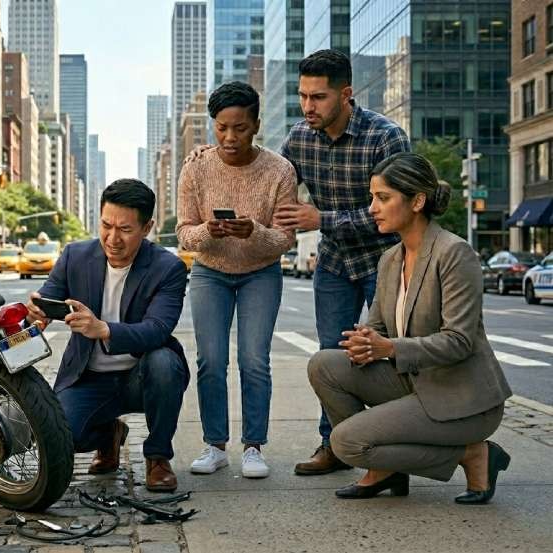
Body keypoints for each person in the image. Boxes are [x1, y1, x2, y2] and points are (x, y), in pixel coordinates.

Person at [308, 152, 512, 503]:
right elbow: (379, 329)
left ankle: (473, 455)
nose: (372, 207)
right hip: (414, 381)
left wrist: (389, 349)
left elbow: (459, 341)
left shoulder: (454, 253)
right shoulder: (390, 258)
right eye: (372, 197)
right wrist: (364, 343)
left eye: (383, 198)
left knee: (346, 443)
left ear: (417, 201)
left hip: (461, 397)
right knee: (324, 365)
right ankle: (386, 469)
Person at [274, 49, 411, 476]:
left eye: (318, 97)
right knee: (330, 358)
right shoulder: (298, 139)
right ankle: (334, 444)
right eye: (303, 96)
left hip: (384, 262)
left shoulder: (385, 137)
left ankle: (394, 448)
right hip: (334, 264)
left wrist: (322, 218)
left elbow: (396, 213)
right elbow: (271, 186)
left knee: (385, 357)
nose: (308, 107)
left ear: (346, 93)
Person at [26, 179, 189, 492]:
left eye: (125, 229)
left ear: (147, 227)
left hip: (143, 375)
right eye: (106, 225)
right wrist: (37, 311)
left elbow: (158, 329)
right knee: (60, 435)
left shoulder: (168, 267)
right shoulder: (75, 256)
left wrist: (102, 329)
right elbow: (49, 297)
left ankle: (157, 457)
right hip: (88, 377)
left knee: (165, 362)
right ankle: (110, 435)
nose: (113, 239)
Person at [176, 81, 297, 478]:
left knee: (253, 360)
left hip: (260, 273)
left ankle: (253, 447)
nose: (229, 137)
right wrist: (209, 230)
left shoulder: (280, 171)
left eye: (240, 128)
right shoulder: (195, 166)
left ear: (256, 124)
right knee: (211, 360)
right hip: (210, 271)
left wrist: (255, 233)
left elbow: (284, 239)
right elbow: (183, 232)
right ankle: (214, 445)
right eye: (221, 127)